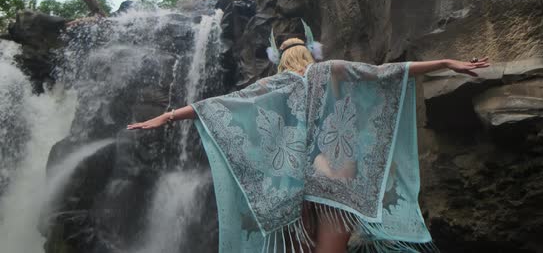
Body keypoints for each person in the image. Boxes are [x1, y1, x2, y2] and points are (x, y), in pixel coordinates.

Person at [128, 21, 489, 253]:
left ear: (280, 59)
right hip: (335, 172)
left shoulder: (274, 84)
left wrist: (167, 116)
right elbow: (386, 73)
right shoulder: (331, 71)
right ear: (311, 52)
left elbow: (220, 106)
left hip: (293, 181)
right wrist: (446, 62)